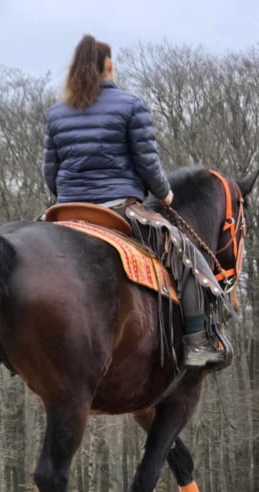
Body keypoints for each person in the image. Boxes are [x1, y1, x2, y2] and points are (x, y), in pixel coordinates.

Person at [42, 34, 224, 368]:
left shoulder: (57, 113)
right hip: (117, 209)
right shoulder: (130, 105)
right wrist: (165, 193)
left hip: (65, 210)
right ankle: (198, 343)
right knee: (189, 260)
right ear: (109, 66)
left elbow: (49, 174)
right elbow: (147, 164)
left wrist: (71, 193)